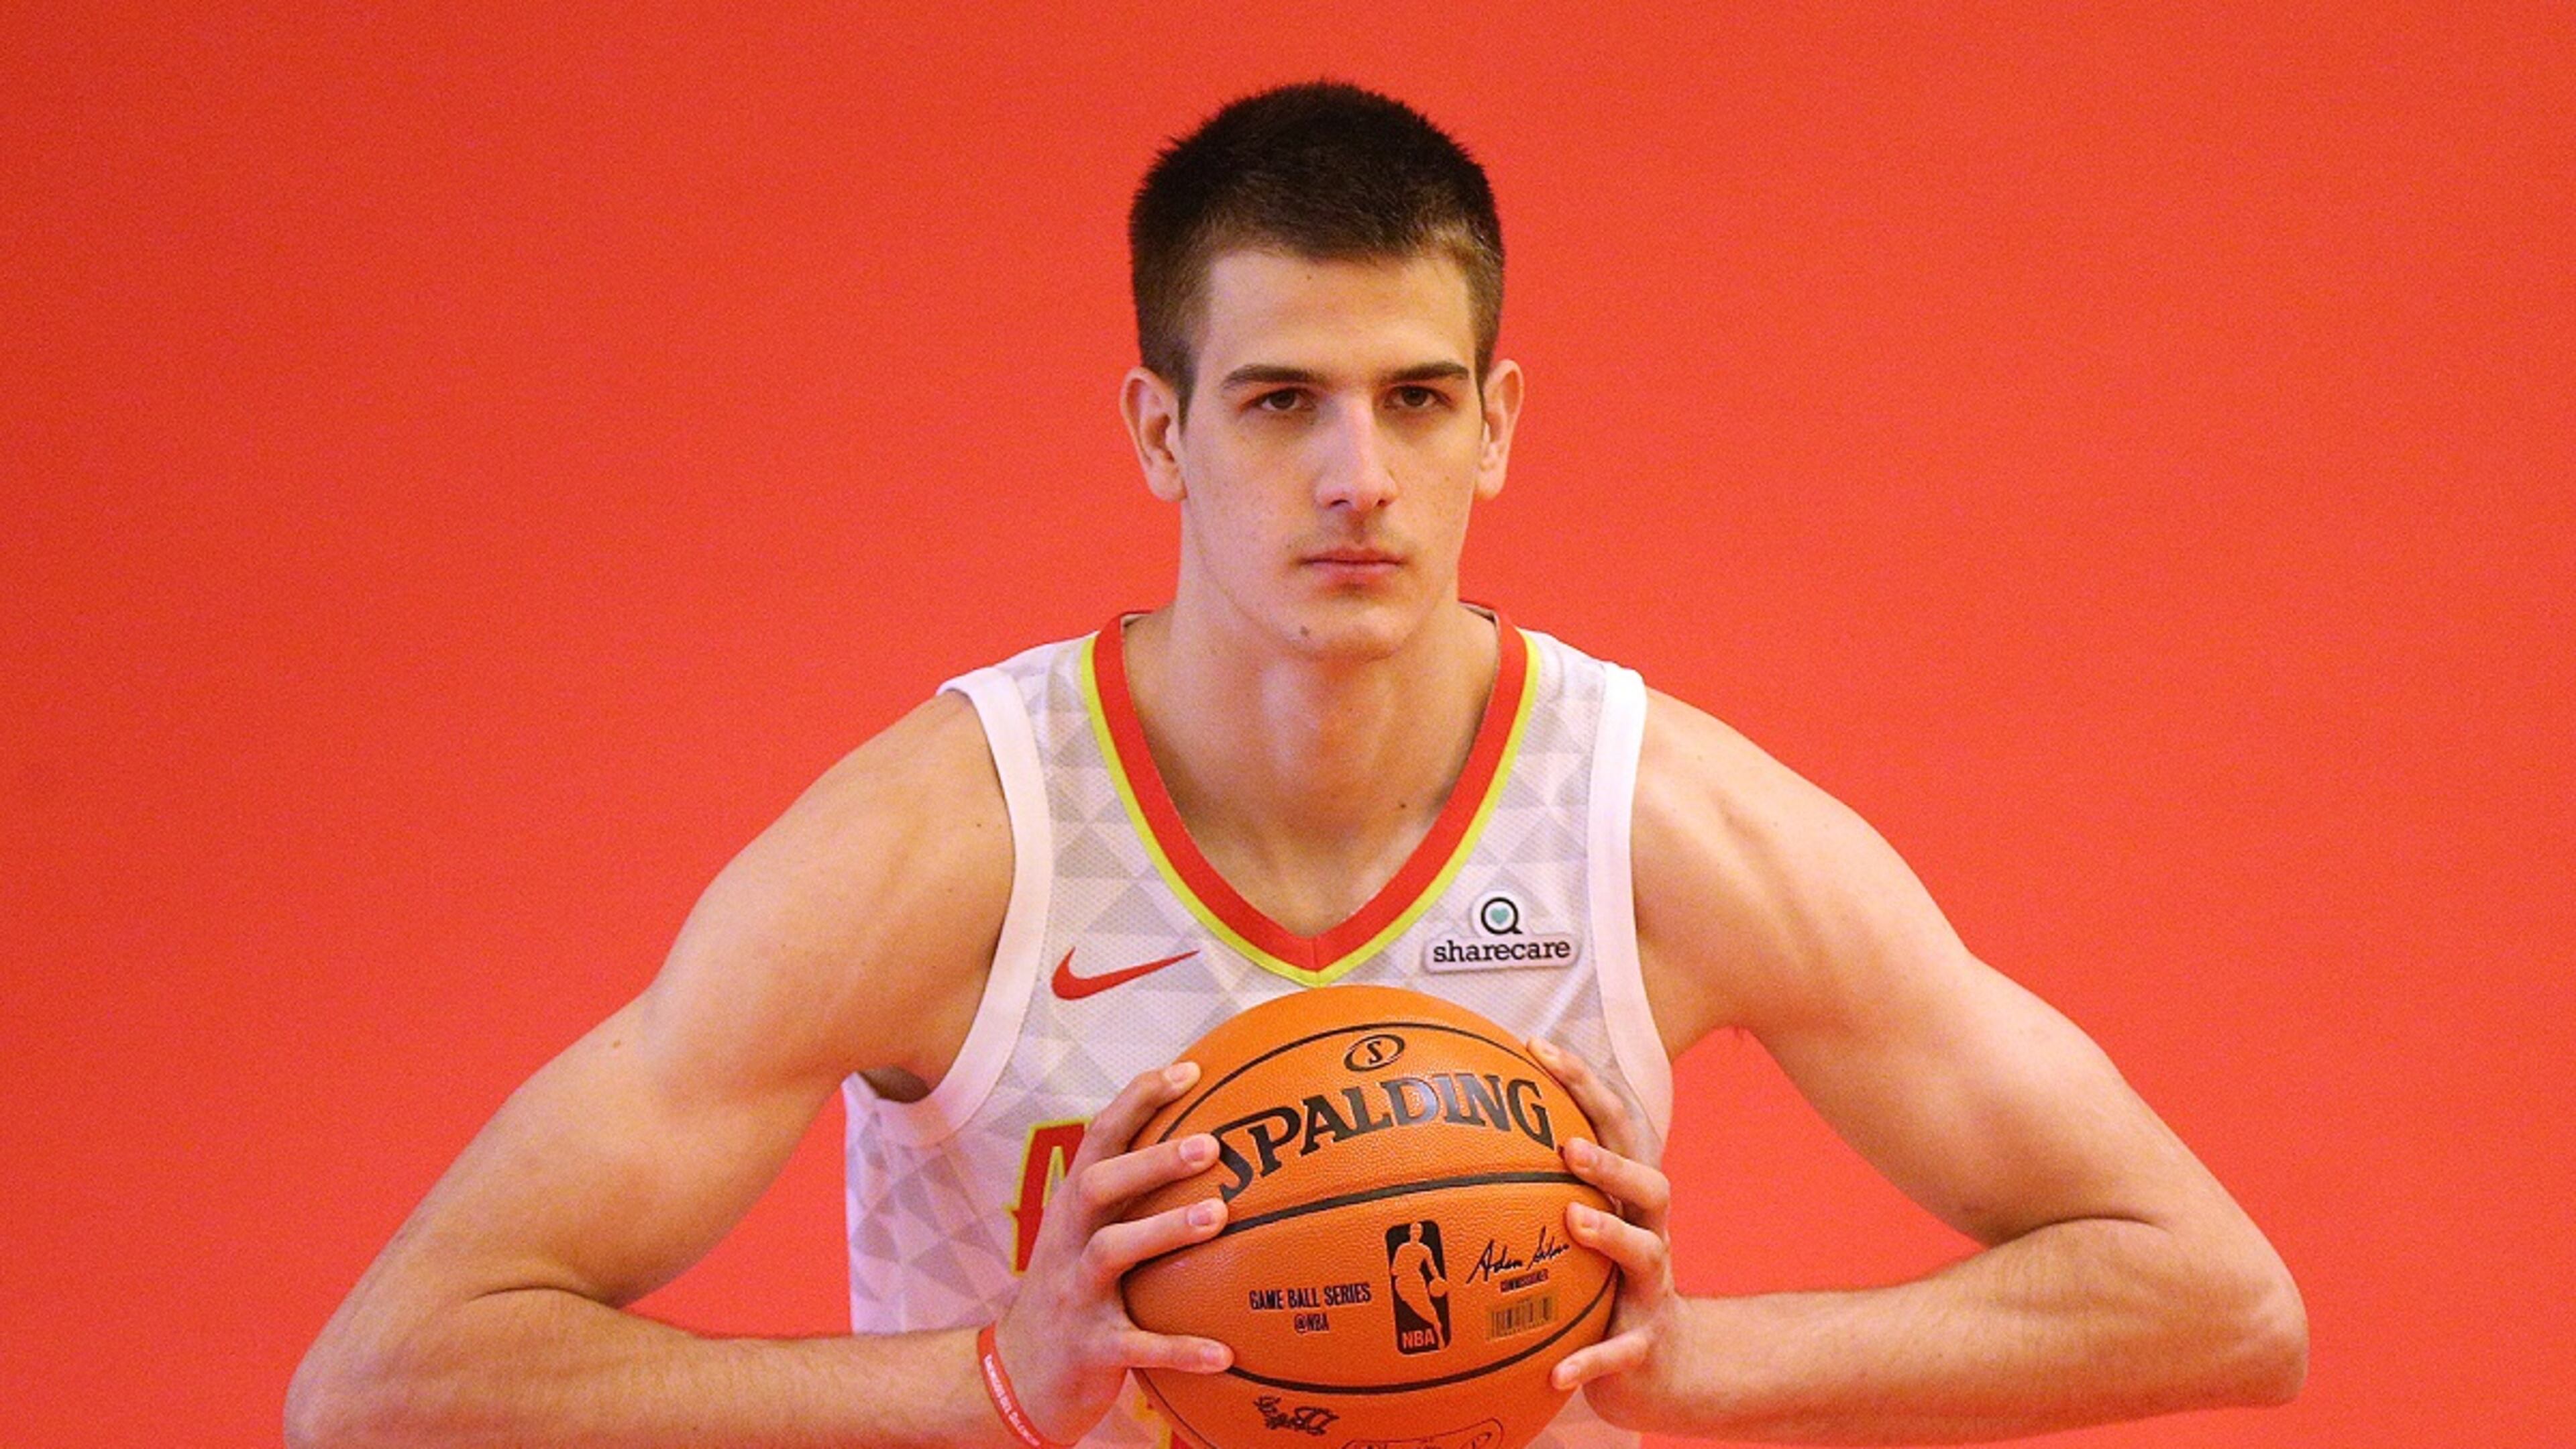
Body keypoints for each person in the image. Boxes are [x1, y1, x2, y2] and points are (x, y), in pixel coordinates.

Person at [288, 81, 2306, 1448]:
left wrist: (1705, 1366)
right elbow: (393, 1379)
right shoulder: (949, 844)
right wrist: (994, 1378)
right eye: (1277, 401)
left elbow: (2217, 1298)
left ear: (1498, 425)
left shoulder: (1659, 820)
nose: (1359, 477)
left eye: (1417, 399)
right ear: (1160, 433)